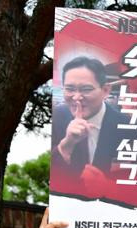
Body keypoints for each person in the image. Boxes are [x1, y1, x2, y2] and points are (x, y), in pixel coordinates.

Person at [51, 56, 131, 187]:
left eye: (86, 90)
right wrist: (66, 145)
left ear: (105, 90)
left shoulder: (127, 127)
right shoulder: (57, 117)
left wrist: (109, 188)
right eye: (70, 89)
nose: (76, 97)